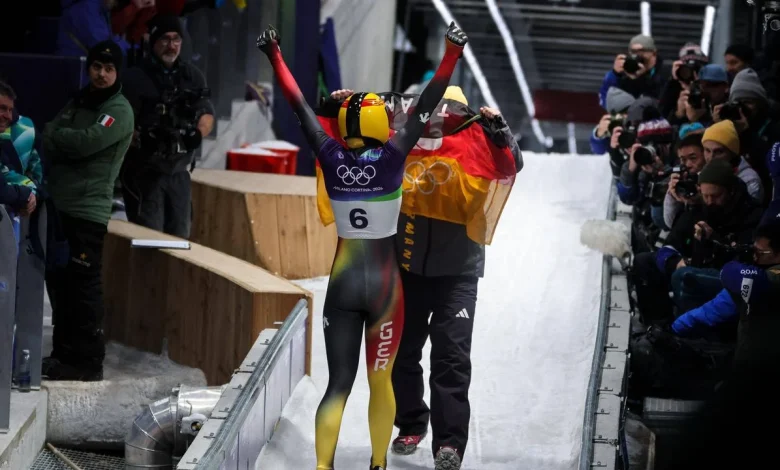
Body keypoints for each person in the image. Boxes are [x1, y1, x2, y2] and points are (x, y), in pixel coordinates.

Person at [256, 22, 467, 470]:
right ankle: (377, 464)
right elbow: (429, 103)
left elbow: (298, 104)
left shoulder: (329, 155)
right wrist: (450, 54)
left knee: (338, 386)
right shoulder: (393, 156)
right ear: (378, 124)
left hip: (343, 284)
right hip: (386, 289)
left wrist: (275, 56)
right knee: (382, 383)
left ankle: (323, 466)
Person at [42, 40, 134, 381]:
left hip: (88, 212)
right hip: (60, 206)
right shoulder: (79, 101)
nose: (102, 74)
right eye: (97, 67)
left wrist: (65, 139)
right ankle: (63, 354)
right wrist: (65, 138)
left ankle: (87, 361)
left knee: (82, 286)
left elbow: (86, 143)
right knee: (60, 285)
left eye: (109, 69)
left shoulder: (120, 109)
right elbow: (48, 132)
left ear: (117, 72)